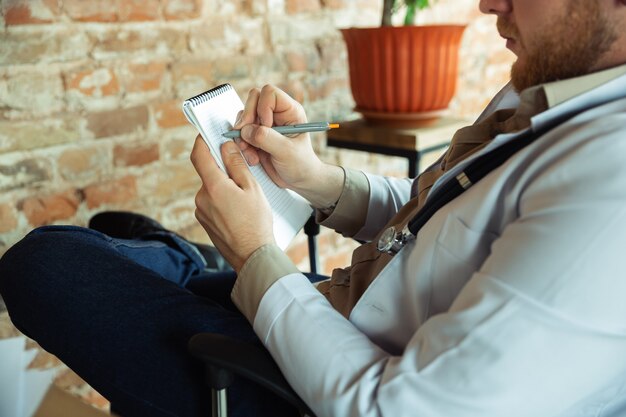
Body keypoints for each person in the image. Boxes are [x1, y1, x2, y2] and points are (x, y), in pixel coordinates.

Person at [2, 0, 626, 415]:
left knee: (46, 262)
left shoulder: (609, 189)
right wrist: (312, 179)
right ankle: (182, 262)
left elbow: (396, 408)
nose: (490, 2)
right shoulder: (547, 83)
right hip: (331, 307)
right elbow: (434, 221)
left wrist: (253, 254)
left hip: (315, 387)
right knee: (111, 236)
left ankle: (179, 260)